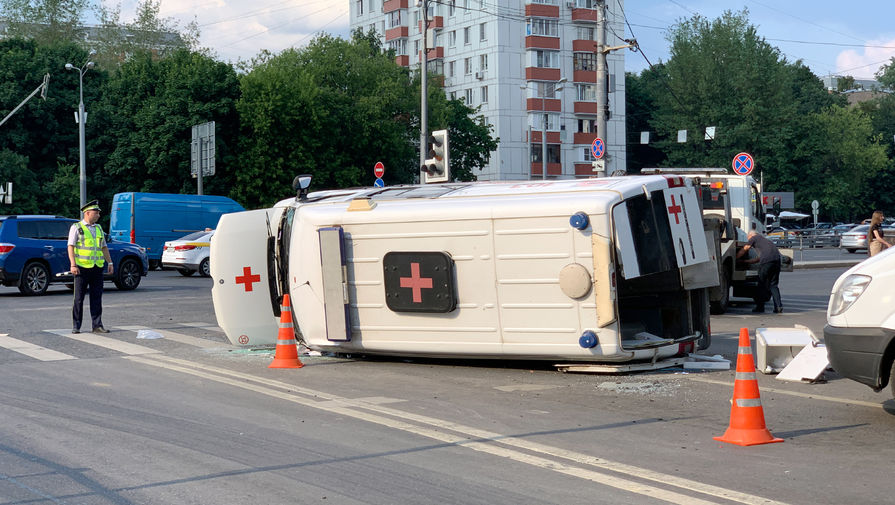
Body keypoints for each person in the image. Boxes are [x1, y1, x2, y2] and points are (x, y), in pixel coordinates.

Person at [68, 200, 113, 334]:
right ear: (87, 213)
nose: (98, 215)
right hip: (81, 268)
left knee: (96, 297)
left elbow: (103, 247)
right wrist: (73, 264)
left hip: (97, 267)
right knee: (79, 298)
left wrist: (109, 262)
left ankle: (97, 325)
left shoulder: (98, 228)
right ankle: (76, 326)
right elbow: (71, 246)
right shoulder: (76, 227)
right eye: (96, 212)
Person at [736, 230, 783, 314]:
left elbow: (745, 248)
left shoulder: (754, 237)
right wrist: (745, 262)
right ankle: (778, 307)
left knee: (761, 284)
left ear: (751, 236)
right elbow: (758, 259)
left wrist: (736, 258)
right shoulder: (766, 241)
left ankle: (760, 307)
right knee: (773, 285)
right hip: (777, 261)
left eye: (748, 238)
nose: (748, 239)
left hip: (767, 262)